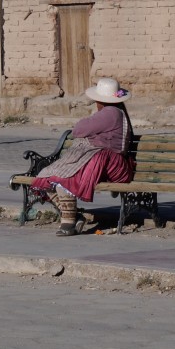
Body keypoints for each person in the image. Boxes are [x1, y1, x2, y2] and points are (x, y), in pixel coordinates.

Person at [28, 78, 135, 236]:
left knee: (68, 176)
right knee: (51, 178)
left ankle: (69, 222)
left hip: (110, 164)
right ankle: (72, 216)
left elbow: (79, 129)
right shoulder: (114, 112)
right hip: (109, 162)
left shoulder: (109, 113)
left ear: (100, 100)